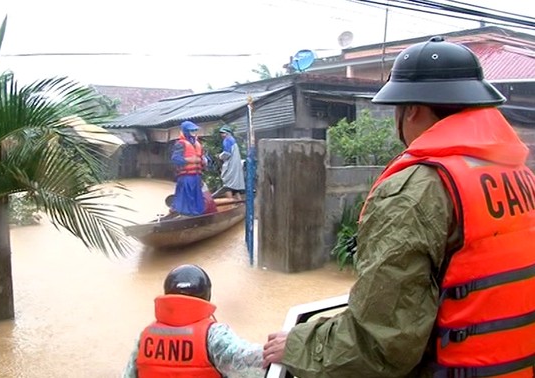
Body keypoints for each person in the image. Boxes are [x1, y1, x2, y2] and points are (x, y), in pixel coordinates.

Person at [263, 36, 535, 377]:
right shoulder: (519, 175)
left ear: (413, 111)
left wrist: (302, 344)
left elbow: (382, 344)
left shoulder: (416, 191)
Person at [123, 264, 265, 377]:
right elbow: (247, 362)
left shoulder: (145, 336)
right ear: (206, 295)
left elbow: (128, 374)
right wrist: (283, 348)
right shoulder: (214, 335)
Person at [171, 121, 206, 216]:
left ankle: (197, 215)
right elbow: (175, 159)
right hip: (186, 177)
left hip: (197, 176)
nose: (194, 132)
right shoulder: (180, 144)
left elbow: (203, 157)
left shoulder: (198, 144)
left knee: (197, 197)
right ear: (186, 131)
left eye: (195, 130)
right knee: (185, 198)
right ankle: (183, 215)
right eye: (191, 130)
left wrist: (205, 160)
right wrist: (188, 160)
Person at [217, 126, 245, 200]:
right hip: (235, 165)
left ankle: (230, 203)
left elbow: (227, 154)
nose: (222, 135)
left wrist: (219, 156)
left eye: (223, 133)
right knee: (235, 187)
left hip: (230, 166)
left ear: (227, 133)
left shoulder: (227, 140)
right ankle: (240, 202)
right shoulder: (233, 140)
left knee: (227, 186)